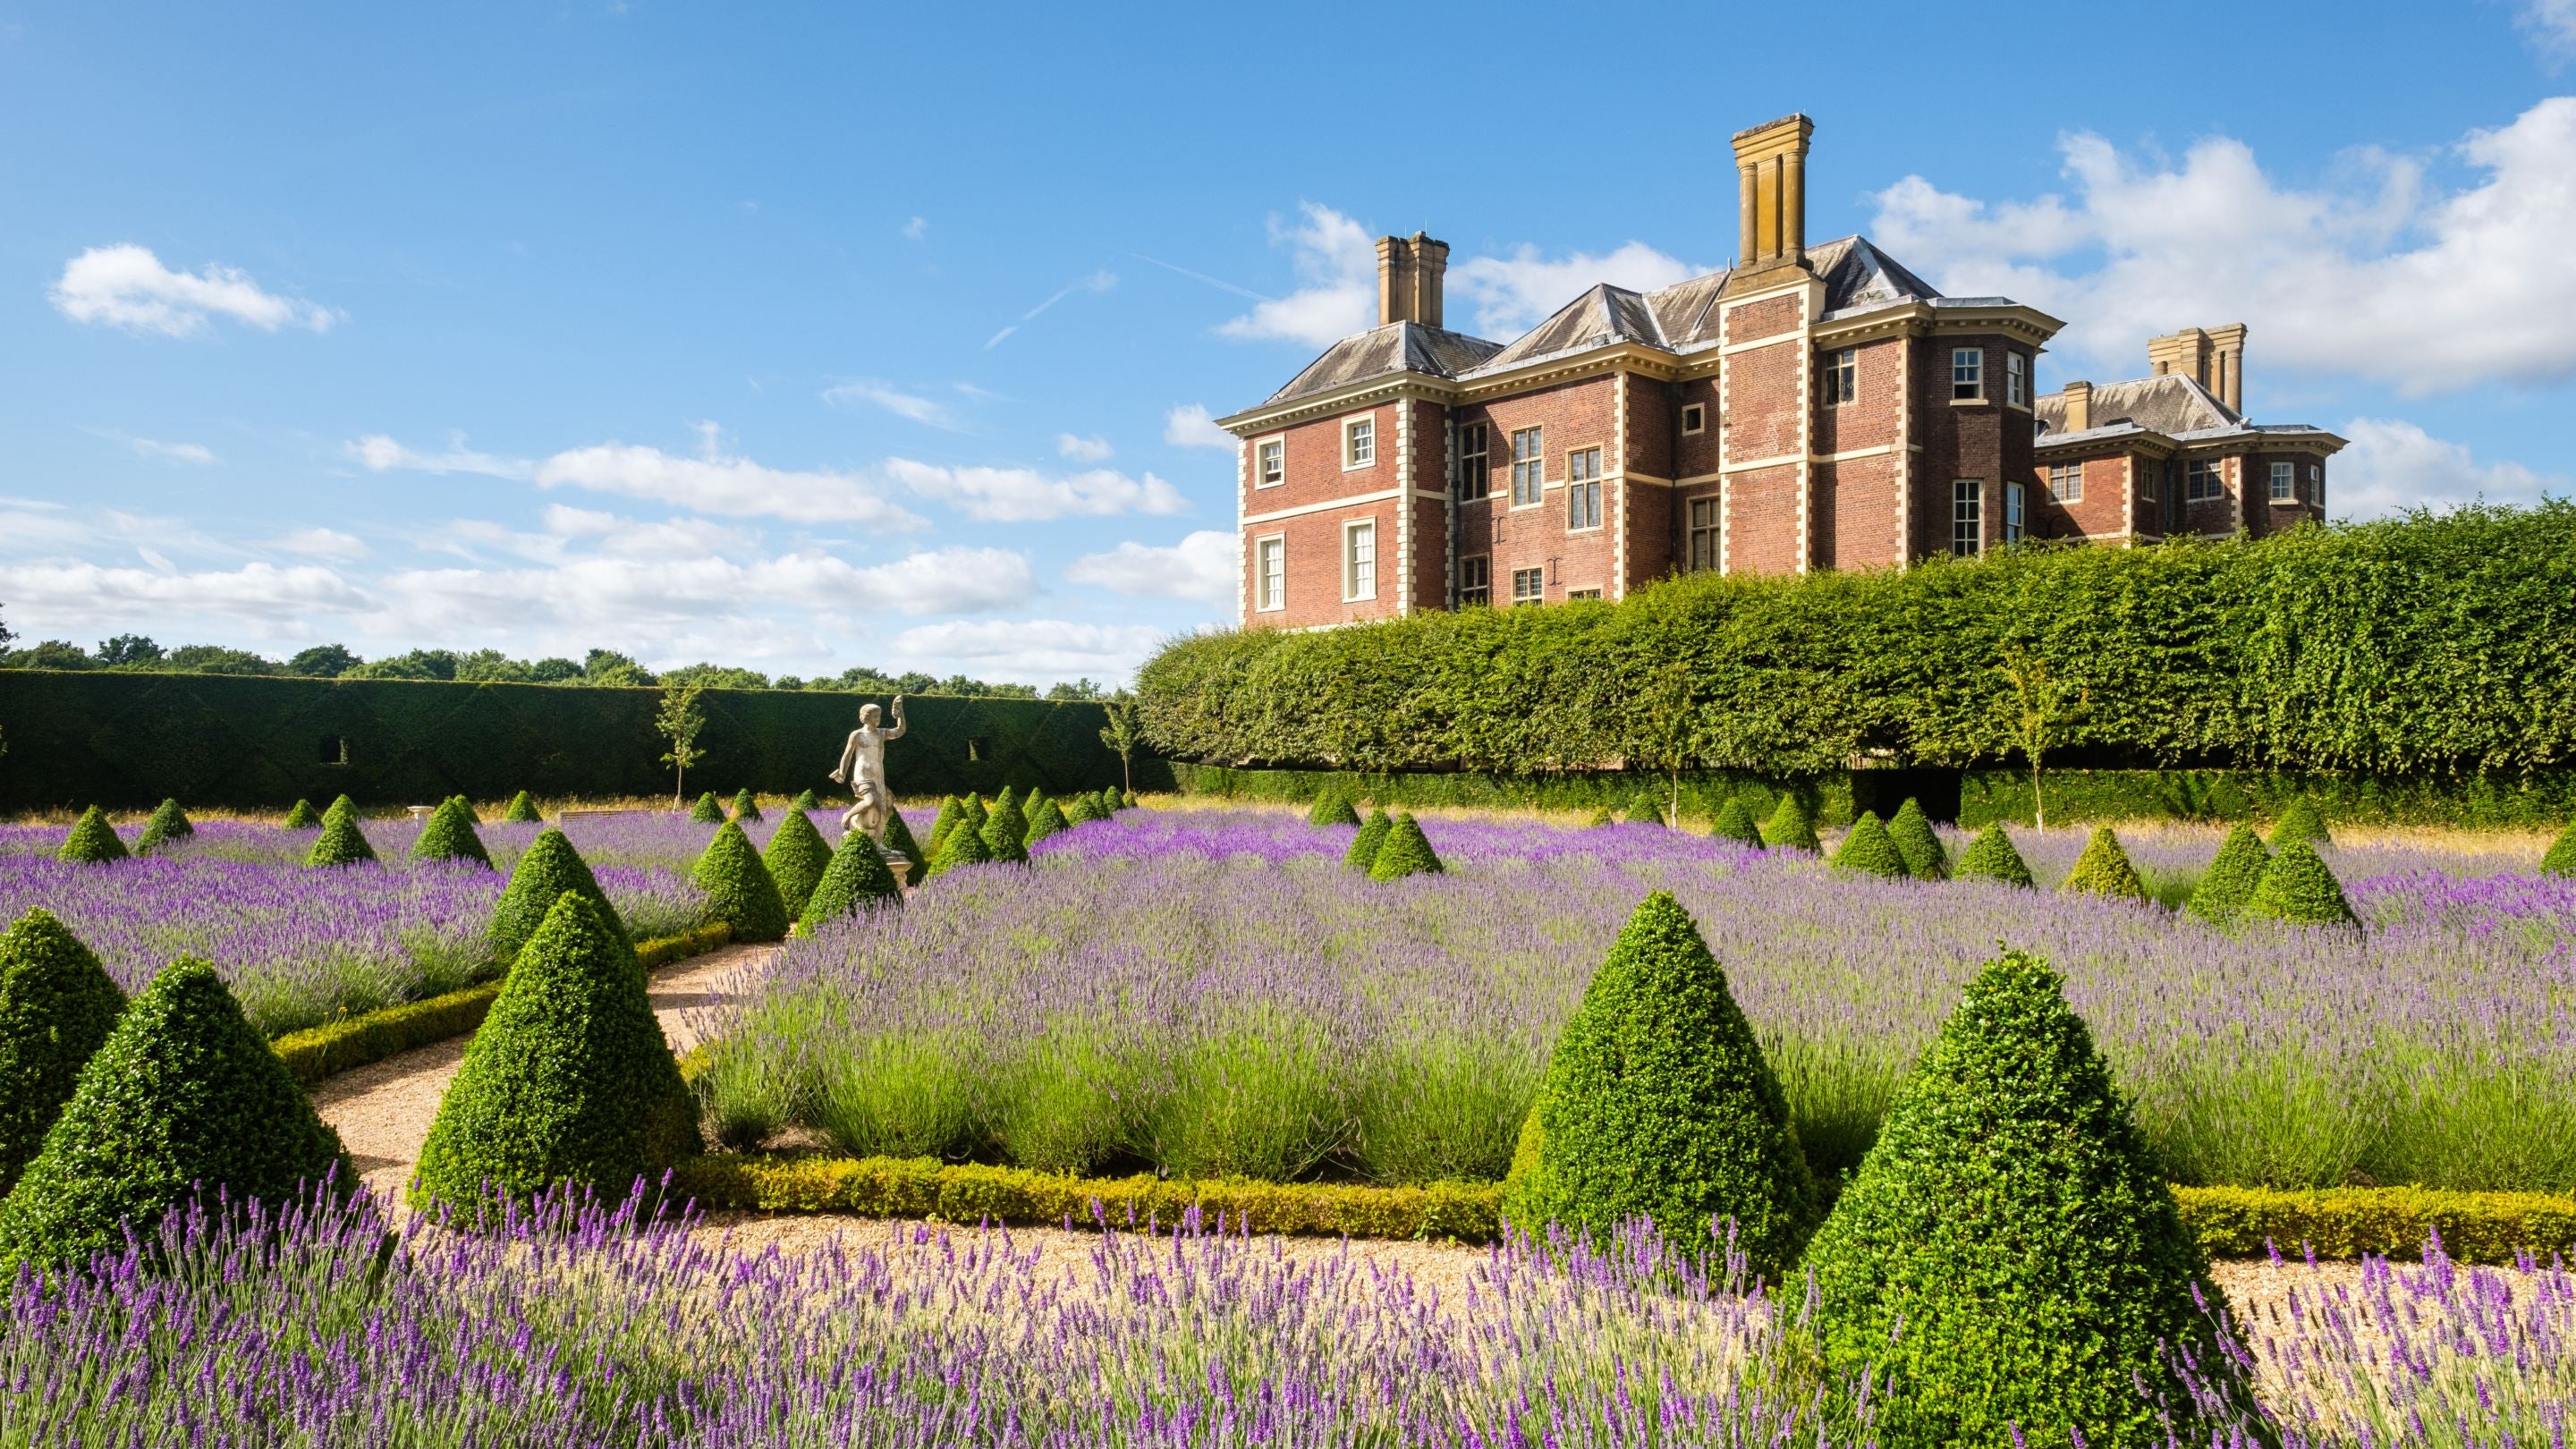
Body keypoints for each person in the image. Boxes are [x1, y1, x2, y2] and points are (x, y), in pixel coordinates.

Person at [826, 695, 907, 849]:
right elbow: (847, 755)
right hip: (862, 773)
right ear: (865, 717)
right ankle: (848, 815)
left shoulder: (881, 733)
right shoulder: (857, 735)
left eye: (879, 716)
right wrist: (842, 772)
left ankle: (878, 842)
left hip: (878, 774)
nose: (878, 719)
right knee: (870, 801)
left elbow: (900, 730)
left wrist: (900, 713)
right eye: (875, 716)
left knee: (886, 804)